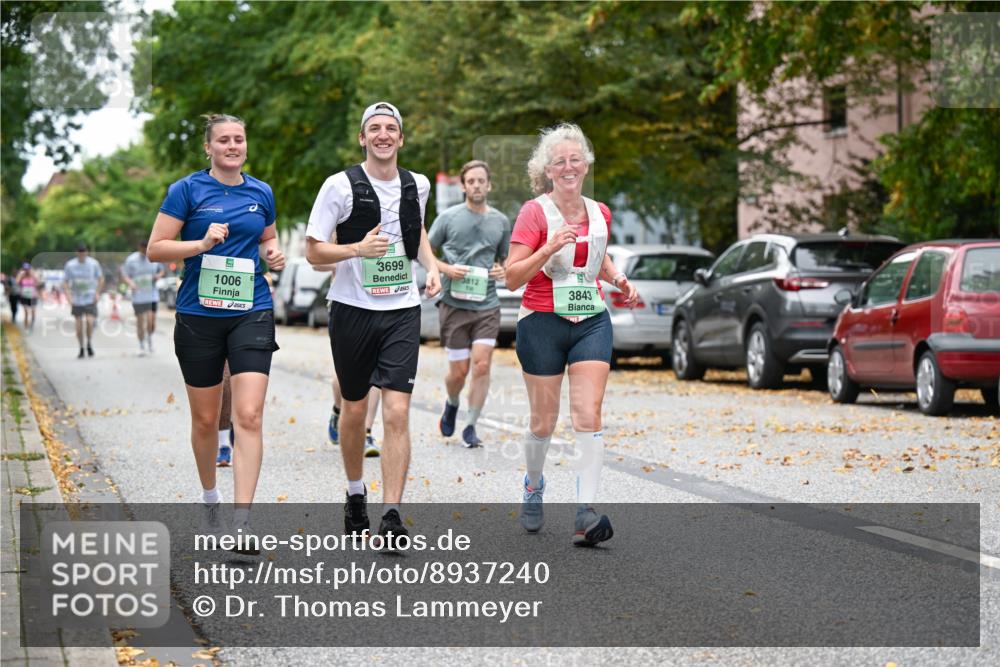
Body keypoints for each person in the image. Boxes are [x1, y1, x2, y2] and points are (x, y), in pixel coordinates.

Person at [147, 113, 285, 554]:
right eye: (223, 140)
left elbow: (267, 240)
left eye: (238, 139)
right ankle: (211, 499)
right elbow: (156, 248)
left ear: (246, 146)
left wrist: (274, 255)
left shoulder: (261, 191)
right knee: (207, 420)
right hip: (198, 313)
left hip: (252, 309)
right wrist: (200, 245)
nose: (232, 145)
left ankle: (242, 525)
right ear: (208, 148)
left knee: (248, 415)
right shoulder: (186, 190)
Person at [306, 101, 441, 542]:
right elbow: (313, 252)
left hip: (401, 310)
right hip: (351, 309)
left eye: (391, 129)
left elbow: (414, 229)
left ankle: (392, 514)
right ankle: (354, 492)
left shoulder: (417, 184)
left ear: (401, 138)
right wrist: (355, 250)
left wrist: (432, 266)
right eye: (374, 129)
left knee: (398, 411)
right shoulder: (339, 186)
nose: (383, 136)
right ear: (363, 138)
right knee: (355, 409)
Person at [504, 123, 638, 546]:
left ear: (586, 165)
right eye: (559, 161)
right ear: (546, 170)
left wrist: (618, 278)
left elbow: (595, 259)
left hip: (591, 319)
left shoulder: (600, 212)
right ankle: (533, 483)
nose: (568, 167)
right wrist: (546, 247)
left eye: (574, 159)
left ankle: (585, 511)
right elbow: (511, 277)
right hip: (542, 321)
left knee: (588, 415)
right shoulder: (534, 212)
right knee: (544, 422)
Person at [429, 160, 511, 448]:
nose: (476, 185)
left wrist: (503, 270)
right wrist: (445, 269)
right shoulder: (448, 218)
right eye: (471, 181)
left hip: (487, 304)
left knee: (481, 365)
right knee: (459, 371)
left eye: (481, 181)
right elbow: (425, 253)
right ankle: (452, 402)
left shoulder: (500, 221)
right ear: (463, 186)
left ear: (489, 185)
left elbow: (504, 260)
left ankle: (471, 425)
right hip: (454, 304)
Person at [121, 240, 165, 356]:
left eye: (146, 249)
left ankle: (149, 338)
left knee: (151, 321)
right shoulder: (131, 260)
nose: (144, 251)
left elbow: (162, 270)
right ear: (139, 247)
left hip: (152, 295)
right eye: (142, 249)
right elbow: (125, 275)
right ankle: (141, 345)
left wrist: (158, 276)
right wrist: (130, 283)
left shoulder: (154, 257)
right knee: (140, 322)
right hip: (138, 296)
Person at [63, 243, 104, 358]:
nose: (82, 254)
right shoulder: (70, 265)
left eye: (84, 252)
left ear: (87, 252)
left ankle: (89, 343)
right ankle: (81, 347)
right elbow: (65, 282)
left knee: (90, 322)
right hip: (77, 298)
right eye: (80, 252)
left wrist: (97, 293)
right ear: (76, 252)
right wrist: (69, 297)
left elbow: (101, 279)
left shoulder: (94, 264)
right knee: (79, 325)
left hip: (90, 298)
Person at [16, 261, 41, 332]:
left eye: (27, 269)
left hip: (33, 296)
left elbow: (39, 283)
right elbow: (16, 282)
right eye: (25, 269)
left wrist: (33, 275)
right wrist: (20, 275)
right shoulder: (21, 276)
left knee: (33, 311)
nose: (26, 271)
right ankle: (26, 326)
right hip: (24, 296)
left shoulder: (33, 275)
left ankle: (32, 323)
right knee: (26, 312)